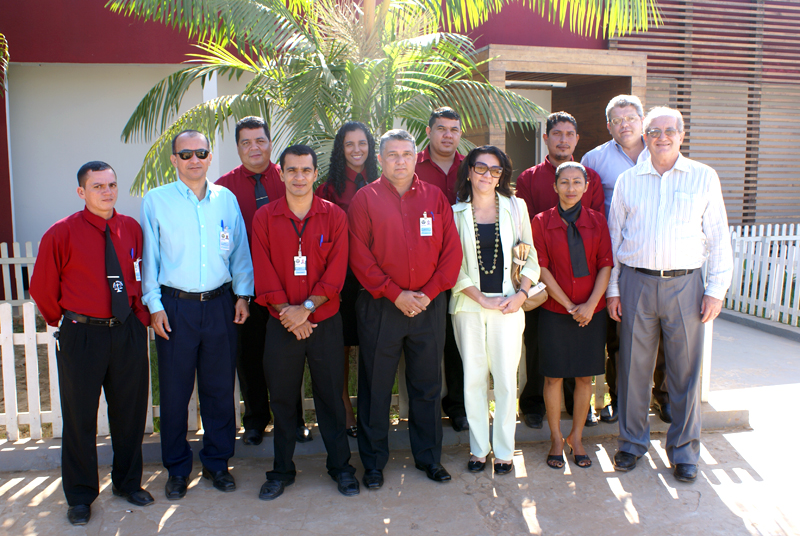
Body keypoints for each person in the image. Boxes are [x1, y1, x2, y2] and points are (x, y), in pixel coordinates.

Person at [607, 107, 733, 483]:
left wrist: (716, 290)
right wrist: (613, 289)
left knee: (685, 373)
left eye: (669, 131)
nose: (661, 137)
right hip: (636, 284)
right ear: (644, 137)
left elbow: (719, 237)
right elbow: (614, 239)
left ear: (681, 135)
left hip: (686, 286)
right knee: (633, 369)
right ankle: (632, 444)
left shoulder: (703, 177)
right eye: (654, 132)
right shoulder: (629, 181)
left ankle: (684, 451)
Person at [30, 161, 153, 526]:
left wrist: (138, 319)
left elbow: (139, 274)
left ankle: (127, 483)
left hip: (127, 331)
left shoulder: (131, 228)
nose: (107, 192)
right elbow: (42, 287)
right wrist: (67, 321)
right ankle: (81, 495)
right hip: (82, 334)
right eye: (98, 186)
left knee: (130, 413)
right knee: (80, 417)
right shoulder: (61, 233)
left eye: (111, 184)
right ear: (81, 192)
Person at [141, 130, 254, 500]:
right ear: (174, 160)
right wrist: (154, 305)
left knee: (219, 389)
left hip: (221, 304)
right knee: (175, 391)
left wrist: (243, 295)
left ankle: (217, 463)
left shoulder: (226, 199)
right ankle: (177, 468)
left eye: (201, 153)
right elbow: (149, 257)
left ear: (209, 157)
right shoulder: (156, 201)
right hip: (176, 307)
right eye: (186, 154)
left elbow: (239, 252)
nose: (194, 160)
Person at [348, 129, 462, 489]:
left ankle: (429, 458)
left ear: (416, 157)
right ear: (380, 159)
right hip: (381, 306)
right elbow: (360, 257)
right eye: (393, 154)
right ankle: (373, 464)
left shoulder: (435, 197)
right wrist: (396, 294)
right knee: (376, 387)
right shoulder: (365, 199)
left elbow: (451, 253)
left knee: (427, 386)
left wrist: (428, 293)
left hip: (428, 306)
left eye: (406, 154)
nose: (400, 161)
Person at [251, 145, 359, 500]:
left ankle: (341, 467)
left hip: (324, 322)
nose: (299, 177)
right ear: (281, 174)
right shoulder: (264, 217)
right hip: (282, 324)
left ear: (315, 174)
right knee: (282, 400)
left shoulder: (334, 216)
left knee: (330, 398)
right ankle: (281, 470)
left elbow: (336, 272)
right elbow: (263, 271)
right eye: (292, 170)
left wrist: (307, 309)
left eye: (306, 170)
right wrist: (290, 313)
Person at [216, 116, 312, 446]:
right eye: (246, 142)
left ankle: (294, 419)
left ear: (270, 143)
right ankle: (256, 420)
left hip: (287, 290)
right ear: (238, 147)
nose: (254, 147)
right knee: (249, 356)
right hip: (245, 289)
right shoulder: (224, 188)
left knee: (289, 357)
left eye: (260, 140)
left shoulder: (288, 177)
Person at [450, 146, 540, 475]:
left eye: (495, 170)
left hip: (509, 306)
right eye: (481, 168)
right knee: (473, 380)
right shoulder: (455, 212)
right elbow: (451, 265)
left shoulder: (516, 207)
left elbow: (531, 257)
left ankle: (504, 451)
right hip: (468, 307)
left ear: (502, 175)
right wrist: (480, 298)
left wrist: (522, 294)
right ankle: (479, 449)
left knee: (505, 380)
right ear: (469, 171)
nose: (488, 175)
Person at [581, 95, 669, 425]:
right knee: (619, 336)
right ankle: (618, 399)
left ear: (642, 120)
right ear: (609, 126)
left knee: (663, 335)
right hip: (615, 259)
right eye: (617, 120)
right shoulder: (594, 159)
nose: (625, 125)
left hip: (657, 257)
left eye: (631, 118)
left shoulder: (661, 152)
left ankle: (663, 397)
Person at [515, 111, 605, 430]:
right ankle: (533, 403)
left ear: (577, 139)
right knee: (538, 343)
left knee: (579, 345)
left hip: (581, 273)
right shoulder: (528, 178)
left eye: (569, 134)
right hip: (542, 274)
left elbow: (595, 222)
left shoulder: (589, 177)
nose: (563, 140)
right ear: (546, 138)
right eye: (557, 134)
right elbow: (523, 226)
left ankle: (576, 405)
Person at [531, 162, 613, 470]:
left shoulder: (598, 221)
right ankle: (556, 438)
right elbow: (541, 267)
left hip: (592, 312)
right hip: (555, 311)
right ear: (555, 186)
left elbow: (605, 264)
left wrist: (590, 305)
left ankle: (576, 438)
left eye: (577, 182)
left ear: (586, 186)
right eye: (564, 182)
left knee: (583, 377)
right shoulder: (541, 222)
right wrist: (568, 305)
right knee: (553, 376)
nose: (570, 188)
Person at [316, 121, 380, 438]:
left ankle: (371, 412)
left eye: (362, 143)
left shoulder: (383, 183)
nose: (357, 150)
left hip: (376, 280)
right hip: (341, 279)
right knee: (339, 348)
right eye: (349, 144)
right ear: (340, 150)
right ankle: (345, 410)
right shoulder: (328, 190)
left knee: (373, 347)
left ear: (371, 147)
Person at [415, 106, 469, 432]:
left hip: (466, 269)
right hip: (424, 270)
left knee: (458, 341)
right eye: (441, 128)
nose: (448, 135)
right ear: (429, 131)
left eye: (454, 129)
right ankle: (427, 409)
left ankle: (459, 406)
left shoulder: (471, 168)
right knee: (427, 345)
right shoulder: (413, 167)